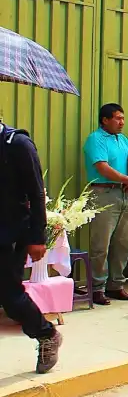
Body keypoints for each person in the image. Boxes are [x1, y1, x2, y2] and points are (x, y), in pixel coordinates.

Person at [0, 122, 62, 373]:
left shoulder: (18, 144)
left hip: (9, 232)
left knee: (11, 297)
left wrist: (38, 237)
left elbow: (37, 193)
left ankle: (46, 334)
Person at [83, 103, 128, 305]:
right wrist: (126, 180)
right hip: (103, 193)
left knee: (122, 243)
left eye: (123, 118)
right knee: (101, 244)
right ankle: (97, 287)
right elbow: (102, 167)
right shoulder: (96, 139)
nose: (121, 122)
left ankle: (116, 285)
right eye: (117, 118)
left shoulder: (123, 140)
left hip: (124, 194)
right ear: (104, 120)